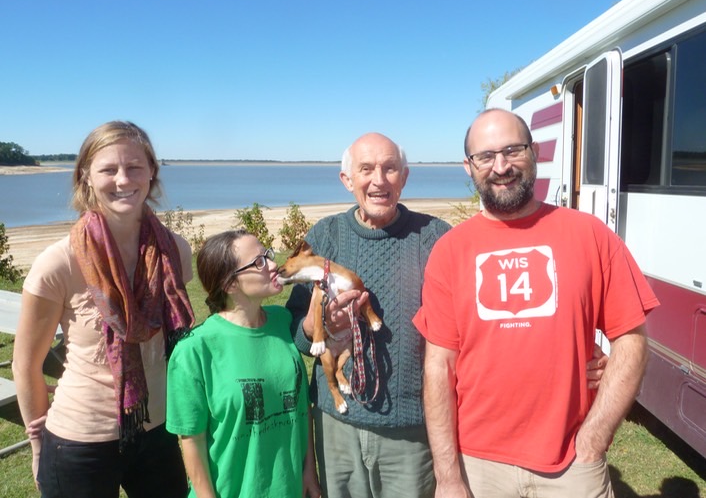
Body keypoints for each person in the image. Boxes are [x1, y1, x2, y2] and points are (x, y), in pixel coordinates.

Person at [413, 108, 659, 498]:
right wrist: (447, 476)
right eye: (486, 156)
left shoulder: (589, 235)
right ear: (468, 166)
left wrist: (593, 439)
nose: (501, 166)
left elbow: (632, 340)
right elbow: (439, 367)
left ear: (536, 152)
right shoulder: (450, 252)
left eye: (513, 150)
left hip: (572, 464)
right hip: (479, 466)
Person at [12, 121, 195, 498]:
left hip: (158, 429)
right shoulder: (59, 263)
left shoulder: (175, 252)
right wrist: (36, 444)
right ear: (86, 178)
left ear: (152, 174)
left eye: (135, 167)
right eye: (108, 169)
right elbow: (25, 364)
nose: (123, 179)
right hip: (79, 440)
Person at [286, 132, 452, 498]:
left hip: (411, 430)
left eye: (390, 168)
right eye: (366, 169)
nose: (379, 180)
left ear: (404, 177)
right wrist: (324, 323)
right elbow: (298, 332)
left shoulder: (436, 237)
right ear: (347, 180)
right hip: (335, 425)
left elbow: (466, 326)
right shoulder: (324, 235)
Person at [166, 230, 320, 498]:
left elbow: (301, 406)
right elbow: (191, 441)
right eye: (259, 262)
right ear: (229, 284)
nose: (273, 265)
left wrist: (309, 471)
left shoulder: (282, 322)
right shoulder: (194, 350)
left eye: (268, 255)